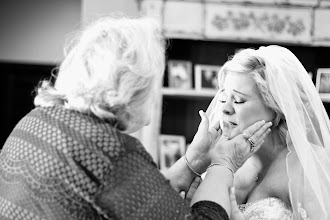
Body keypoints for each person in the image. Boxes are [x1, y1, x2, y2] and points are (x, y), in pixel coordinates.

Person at [0, 15, 272, 220]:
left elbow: (132, 201)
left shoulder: (35, 120)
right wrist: (223, 164)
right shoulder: (111, 151)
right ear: (132, 88)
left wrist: (193, 161)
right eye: (155, 80)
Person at [205, 45, 330, 219]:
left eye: (239, 100)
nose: (225, 109)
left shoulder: (308, 166)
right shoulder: (224, 159)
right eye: (224, 98)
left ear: (275, 107)